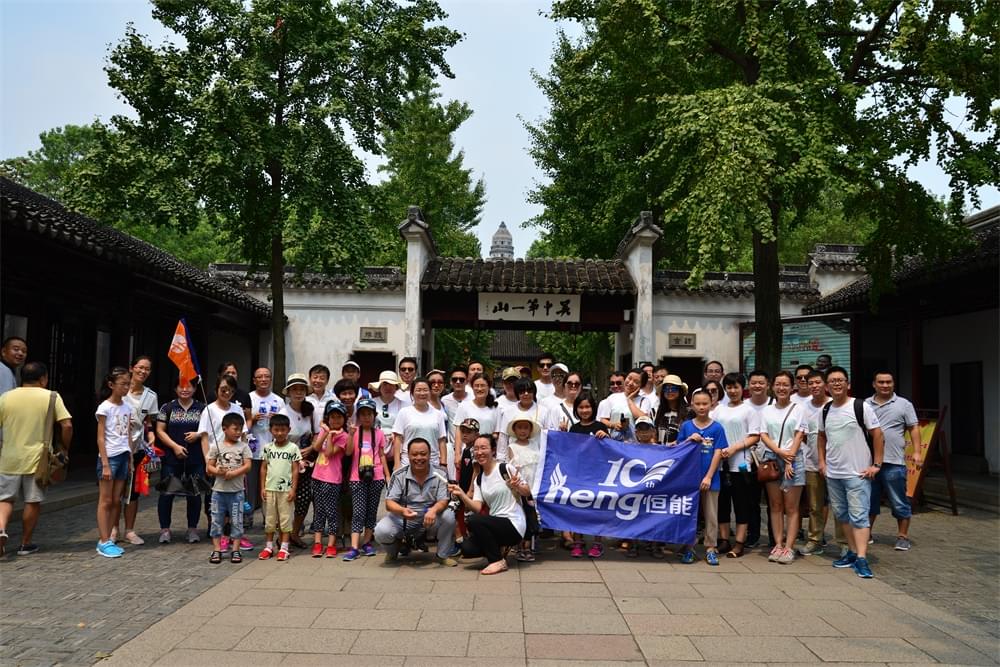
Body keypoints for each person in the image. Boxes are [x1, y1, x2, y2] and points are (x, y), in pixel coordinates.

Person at [0, 361, 72, 557]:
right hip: (38, 459)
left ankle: (1, 529)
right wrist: (64, 447)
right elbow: (67, 425)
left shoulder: (6, 397)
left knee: (5, 500)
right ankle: (25, 544)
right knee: (32, 501)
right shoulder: (51, 396)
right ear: (43, 378)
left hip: (8, 457)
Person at [818, 366, 884, 579]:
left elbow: (877, 434)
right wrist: (822, 462)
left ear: (848, 384)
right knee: (843, 515)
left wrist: (877, 464)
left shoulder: (860, 406)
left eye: (840, 380)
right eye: (832, 381)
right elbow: (821, 437)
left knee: (859, 516)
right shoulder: (825, 410)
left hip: (858, 473)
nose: (836, 384)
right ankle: (852, 552)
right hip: (834, 474)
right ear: (827, 387)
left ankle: (862, 558)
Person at [449, 434, 528, 575]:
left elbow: (527, 492)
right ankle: (499, 548)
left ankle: (497, 561)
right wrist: (461, 494)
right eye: (476, 449)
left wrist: (518, 486)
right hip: (495, 524)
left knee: (474, 520)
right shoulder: (479, 479)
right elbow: (477, 507)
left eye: (483, 448)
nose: (479, 452)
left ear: (493, 450)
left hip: (513, 524)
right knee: (467, 548)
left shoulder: (505, 468)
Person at [375, 438, 457, 566]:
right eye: (414, 454)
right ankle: (393, 551)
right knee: (381, 530)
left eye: (423, 454)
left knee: (449, 516)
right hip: (404, 519)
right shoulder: (398, 475)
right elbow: (389, 503)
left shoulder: (440, 473)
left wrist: (433, 510)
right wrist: (402, 510)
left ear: (430, 455)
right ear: (408, 455)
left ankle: (443, 555)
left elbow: (444, 500)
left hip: (430, 518)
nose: (419, 458)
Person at [866, 371, 920, 551]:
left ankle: (902, 536)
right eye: (881, 382)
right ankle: (866, 534)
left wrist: (917, 451)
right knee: (869, 501)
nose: (885, 385)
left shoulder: (904, 404)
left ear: (893, 384)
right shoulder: (865, 404)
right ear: (874, 384)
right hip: (869, 462)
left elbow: (913, 428)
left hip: (894, 462)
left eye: (888, 382)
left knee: (899, 501)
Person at [197, 374, 250, 551]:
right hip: (216, 462)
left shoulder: (237, 409)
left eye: (230, 391)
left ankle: (234, 535)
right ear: (216, 390)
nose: (227, 393)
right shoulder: (209, 410)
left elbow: (243, 435)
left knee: (236, 501)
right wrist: (208, 462)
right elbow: (204, 437)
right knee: (216, 501)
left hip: (235, 461)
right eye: (223, 389)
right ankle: (219, 536)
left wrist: (243, 457)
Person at [713, 373, 760, 558]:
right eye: (729, 387)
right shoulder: (719, 410)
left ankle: (740, 542)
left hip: (740, 464)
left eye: (736, 387)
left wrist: (734, 448)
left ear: (743, 388)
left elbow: (755, 436)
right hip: (720, 465)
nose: (732, 391)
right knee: (722, 504)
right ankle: (724, 540)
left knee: (742, 504)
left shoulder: (749, 410)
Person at [677, 391, 727, 565]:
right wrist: (689, 440)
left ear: (711, 404)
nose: (701, 407)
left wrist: (709, 476)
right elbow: (679, 449)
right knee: (689, 513)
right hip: (689, 478)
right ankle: (689, 547)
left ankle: (710, 548)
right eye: (697, 403)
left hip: (710, 478)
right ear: (692, 404)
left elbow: (718, 453)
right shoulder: (686, 426)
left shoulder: (717, 428)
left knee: (711, 515)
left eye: (705, 403)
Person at [759, 371, 804, 564]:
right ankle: (778, 543)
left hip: (793, 459)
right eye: (778, 384)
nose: (781, 388)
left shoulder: (798, 409)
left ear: (792, 387)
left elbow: (799, 434)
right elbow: (763, 434)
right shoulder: (767, 410)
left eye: (785, 384)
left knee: (791, 507)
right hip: (771, 458)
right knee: (775, 505)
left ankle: (789, 547)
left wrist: (788, 458)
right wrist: (779, 452)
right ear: (772, 386)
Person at [155, 378, 206, 544]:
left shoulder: (202, 408)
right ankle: (165, 529)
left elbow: (209, 430)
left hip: (196, 458)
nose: (185, 389)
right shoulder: (167, 407)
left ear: (195, 388)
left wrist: (197, 435)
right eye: (181, 386)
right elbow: (160, 431)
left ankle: (192, 529)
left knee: (194, 495)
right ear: (176, 389)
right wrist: (175, 447)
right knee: (167, 494)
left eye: (189, 386)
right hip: (172, 458)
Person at [794, 370, 837, 556]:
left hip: (836, 463)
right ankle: (814, 540)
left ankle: (845, 543)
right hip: (811, 463)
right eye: (810, 383)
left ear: (825, 384)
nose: (814, 386)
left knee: (840, 506)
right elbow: (801, 434)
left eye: (817, 382)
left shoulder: (834, 404)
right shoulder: (803, 408)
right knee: (814, 505)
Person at [343, 399, 390, 561]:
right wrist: (350, 435)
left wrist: (387, 475)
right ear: (358, 416)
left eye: (369, 414)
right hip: (357, 477)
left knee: (371, 511)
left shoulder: (379, 433)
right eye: (362, 414)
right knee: (358, 512)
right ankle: (354, 547)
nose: (366, 417)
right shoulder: (354, 432)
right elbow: (348, 452)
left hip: (376, 475)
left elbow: (382, 455)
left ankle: (367, 542)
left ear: (374, 415)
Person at [119, 355, 158, 546]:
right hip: (116, 448)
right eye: (140, 367)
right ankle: (112, 530)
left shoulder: (151, 396)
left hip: (137, 449)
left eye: (147, 369)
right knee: (114, 493)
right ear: (132, 368)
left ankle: (129, 530)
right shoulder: (120, 390)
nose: (143, 371)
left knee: (132, 493)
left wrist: (151, 435)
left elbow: (148, 422)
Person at [95, 367, 133, 559]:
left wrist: (131, 458)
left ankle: (109, 538)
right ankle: (103, 540)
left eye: (128, 384)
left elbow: (128, 435)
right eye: (123, 384)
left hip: (123, 455)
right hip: (109, 456)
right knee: (106, 500)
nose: (126, 387)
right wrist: (105, 464)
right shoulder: (104, 407)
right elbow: (100, 437)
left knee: (117, 500)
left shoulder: (127, 407)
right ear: (111, 385)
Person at [206, 413, 253, 564]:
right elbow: (209, 467)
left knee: (237, 521)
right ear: (224, 429)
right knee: (216, 520)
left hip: (237, 492)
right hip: (218, 492)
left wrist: (233, 473)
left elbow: (248, 465)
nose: (238, 432)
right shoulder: (216, 446)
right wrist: (218, 471)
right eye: (235, 429)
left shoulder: (243, 447)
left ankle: (236, 549)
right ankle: (217, 549)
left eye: (240, 429)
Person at [310, 401, 351, 558]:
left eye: (339, 417)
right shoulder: (324, 430)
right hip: (317, 476)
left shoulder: (344, 436)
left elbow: (328, 453)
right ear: (328, 418)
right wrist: (326, 433)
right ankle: (318, 543)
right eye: (332, 417)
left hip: (332, 479)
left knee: (331, 512)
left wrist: (331, 436)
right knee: (319, 511)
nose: (335, 420)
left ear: (344, 419)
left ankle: (331, 544)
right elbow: (316, 447)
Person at [258, 413, 300, 562]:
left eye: (283, 430)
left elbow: (295, 470)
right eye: (276, 430)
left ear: (288, 430)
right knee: (270, 519)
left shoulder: (293, 448)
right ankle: (268, 547)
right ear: (271, 430)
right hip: (270, 489)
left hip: (286, 491)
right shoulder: (267, 448)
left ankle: (284, 547)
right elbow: (263, 468)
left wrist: (293, 489)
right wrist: (262, 487)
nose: (280, 433)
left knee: (285, 519)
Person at [281, 373, 316, 548]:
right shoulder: (283, 412)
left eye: (302, 389)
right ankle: (283, 536)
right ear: (288, 392)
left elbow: (315, 434)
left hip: (306, 462)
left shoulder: (309, 411)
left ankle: (294, 533)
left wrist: (311, 448)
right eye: (294, 389)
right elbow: (278, 438)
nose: (298, 392)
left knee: (304, 498)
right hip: (286, 462)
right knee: (285, 499)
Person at [393, 377, 447, 473]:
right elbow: (398, 439)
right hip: (408, 463)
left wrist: (443, 464)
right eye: (418, 390)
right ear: (412, 393)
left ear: (430, 392)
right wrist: (397, 463)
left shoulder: (438, 414)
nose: (422, 393)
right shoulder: (404, 412)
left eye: (425, 390)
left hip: (433, 464)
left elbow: (442, 441)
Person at [248, 368, 282, 519]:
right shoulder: (248, 398)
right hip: (251, 450)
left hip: (273, 451)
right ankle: (247, 518)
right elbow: (239, 423)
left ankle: (268, 519)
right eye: (260, 377)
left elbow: (284, 424)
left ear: (271, 379)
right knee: (250, 487)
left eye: (267, 376)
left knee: (270, 487)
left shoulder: (278, 400)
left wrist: (277, 420)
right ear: (254, 380)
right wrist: (252, 419)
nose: (263, 379)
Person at [506, 416, 541, 562]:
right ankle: (521, 546)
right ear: (514, 430)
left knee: (533, 516)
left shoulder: (535, 444)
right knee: (522, 515)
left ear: (530, 430)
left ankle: (530, 545)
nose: (523, 431)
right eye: (519, 427)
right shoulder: (512, 447)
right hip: (520, 487)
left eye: (526, 427)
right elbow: (511, 468)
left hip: (535, 485)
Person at [745, 369, 773, 549]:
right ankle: (753, 535)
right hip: (749, 459)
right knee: (751, 500)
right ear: (748, 385)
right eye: (753, 382)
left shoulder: (774, 405)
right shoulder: (743, 405)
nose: (757, 386)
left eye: (761, 383)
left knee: (773, 502)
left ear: (768, 385)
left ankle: (774, 537)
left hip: (771, 459)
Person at [453, 374, 498, 462]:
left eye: (483, 385)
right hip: (468, 454)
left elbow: (497, 433)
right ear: (472, 387)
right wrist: (457, 454)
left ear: (489, 387)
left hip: (487, 454)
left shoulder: (495, 408)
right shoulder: (464, 406)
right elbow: (458, 431)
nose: (479, 389)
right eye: (476, 386)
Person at [371, 371, 405, 467]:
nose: (388, 387)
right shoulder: (372, 403)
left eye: (391, 384)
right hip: (376, 447)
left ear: (396, 387)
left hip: (397, 448)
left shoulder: (403, 404)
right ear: (380, 386)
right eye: (385, 384)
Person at [653, 374, 688, 444]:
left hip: (680, 449)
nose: (670, 391)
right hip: (661, 449)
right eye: (666, 389)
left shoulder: (688, 411)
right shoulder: (659, 411)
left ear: (680, 391)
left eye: (674, 388)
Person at [305, 364, 334, 432]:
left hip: (328, 435)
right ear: (309, 379)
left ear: (327, 381)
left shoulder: (333, 399)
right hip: (309, 437)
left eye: (322, 378)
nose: (318, 381)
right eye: (315, 377)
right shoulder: (304, 398)